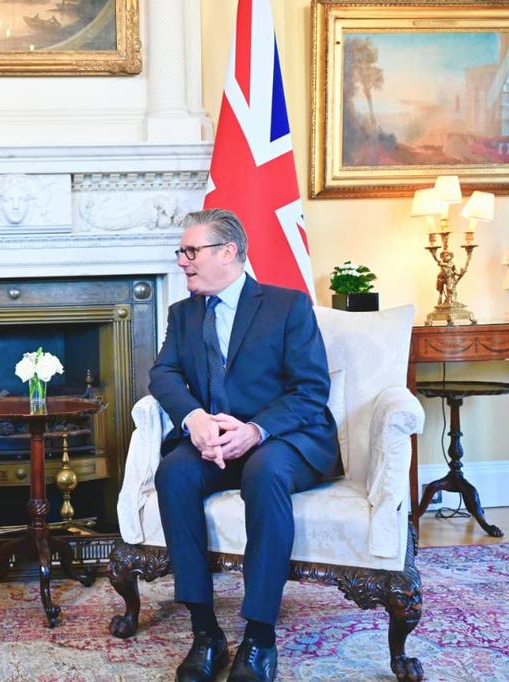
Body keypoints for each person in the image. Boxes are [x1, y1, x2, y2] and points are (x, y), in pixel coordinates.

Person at [149, 209, 338, 682]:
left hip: (281, 438)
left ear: (228, 252)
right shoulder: (183, 314)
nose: (182, 262)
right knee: (174, 472)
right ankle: (205, 631)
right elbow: (163, 373)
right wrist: (194, 419)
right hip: (214, 440)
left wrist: (255, 430)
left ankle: (259, 636)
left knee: (265, 471)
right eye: (181, 252)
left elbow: (311, 390)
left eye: (191, 251)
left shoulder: (287, 306)